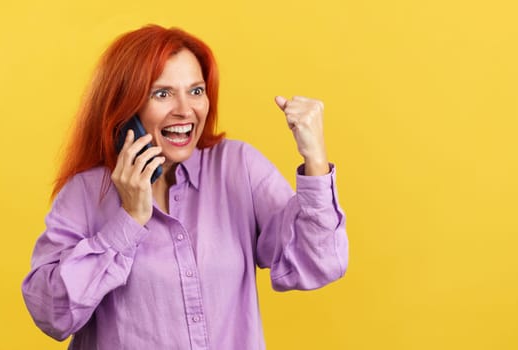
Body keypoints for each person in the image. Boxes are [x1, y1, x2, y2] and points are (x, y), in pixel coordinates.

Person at [21, 24, 349, 349]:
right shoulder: (85, 194)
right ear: (127, 106)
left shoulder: (237, 168)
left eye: (195, 91)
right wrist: (129, 221)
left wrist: (315, 159)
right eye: (162, 94)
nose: (185, 110)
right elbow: (52, 315)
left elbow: (320, 263)